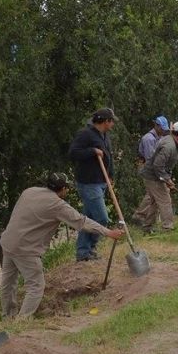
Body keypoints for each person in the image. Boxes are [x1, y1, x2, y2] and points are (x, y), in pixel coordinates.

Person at [0, 173, 124, 318]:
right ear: (63, 189)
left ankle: (8, 316)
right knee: (36, 286)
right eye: (67, 188)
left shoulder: (29, 191)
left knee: (8, 284)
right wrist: (108, 232)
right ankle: (21, 321)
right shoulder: (57, 205)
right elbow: (82, 222)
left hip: (8, 242)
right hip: (26, 250)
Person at [68, 108, 118, 261]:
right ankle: (90, 248)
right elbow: (73, 153)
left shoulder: (104, 135)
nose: (113, 124)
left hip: (101, 181)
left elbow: (108, 156)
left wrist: (110, 176)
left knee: (88, 218)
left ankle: (84, 252)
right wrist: (92, 151)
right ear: (105, 121)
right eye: (112, 121)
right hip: (89, 183)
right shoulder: (86, 134)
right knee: (101, 218)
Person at [133, 120, 178, 233]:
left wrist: (167, 178)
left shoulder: (172, 141)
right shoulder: (169, 146)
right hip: (153, 177)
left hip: (153, 175)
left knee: (154, 202)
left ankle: (147, 227)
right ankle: (168, 228)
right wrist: (167, 179)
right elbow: (157, 165)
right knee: (165, 201)